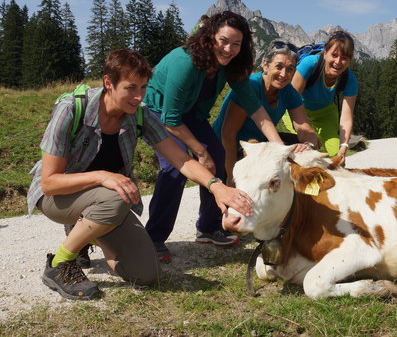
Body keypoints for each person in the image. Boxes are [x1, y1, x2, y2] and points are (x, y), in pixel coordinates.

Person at [27, 49, 253, 300]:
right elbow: (49, 183)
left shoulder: (140, 113)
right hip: (59, 197)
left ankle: (85, 233)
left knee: (146, 274)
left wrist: (216, 186)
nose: (138, 96)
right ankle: (60, 263)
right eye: (130, 88)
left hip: (107, 201)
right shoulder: (71, 109)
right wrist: (102, 176)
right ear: (108, 83)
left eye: (144, 87)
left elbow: (181, 160)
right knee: (116, 195)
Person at [143, 11, 282, 262]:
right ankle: (152, 238)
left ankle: (208, 227)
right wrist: (200, 150)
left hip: (190, 114)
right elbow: (170, 118)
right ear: (209, 38)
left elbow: (255, 108)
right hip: (158, 111)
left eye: (236, 44)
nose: (228, 49)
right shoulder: (184, 62)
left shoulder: (233, 66)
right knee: (176, 169)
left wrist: (280, 146)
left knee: (217, 157)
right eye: (223, 41)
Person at [213, 40, 319, 182]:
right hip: (222, 149)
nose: (283, 74)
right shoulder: (251, 86)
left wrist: (308, 145)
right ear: (265, 64)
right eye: (279, 66)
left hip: (254, 147)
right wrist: (232, 175)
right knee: (217, 200)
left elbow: (304, 127)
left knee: (310, 147)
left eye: (290, 69)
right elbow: (228, 134)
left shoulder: (289, 92)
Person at [283, 30, 358, 165]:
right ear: (325, 53)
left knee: (335, 157)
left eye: (344, 58)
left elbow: (346, 117)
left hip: (325, 113)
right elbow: (291, 100)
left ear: (349, 60)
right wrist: (309, 135)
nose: (338, 62)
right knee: (308, 151)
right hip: (297, 109)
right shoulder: (309, 64)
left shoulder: (350, 79)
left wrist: (344, 147)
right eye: (334, 55)